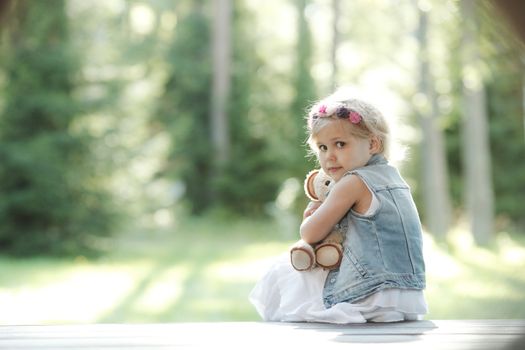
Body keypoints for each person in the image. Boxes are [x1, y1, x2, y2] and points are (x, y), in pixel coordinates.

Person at [249, 91, 428, 323]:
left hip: (371, 291)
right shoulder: (395, 179)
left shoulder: (353, 182)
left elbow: (310, 233)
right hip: (409, 294)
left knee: (283, 272)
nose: (329, 156)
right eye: (322, 147)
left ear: (373, 143)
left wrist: (309, 215)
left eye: (340, 144)